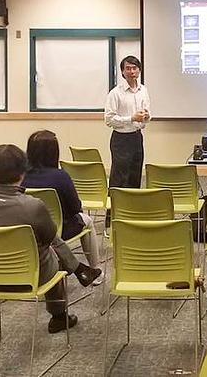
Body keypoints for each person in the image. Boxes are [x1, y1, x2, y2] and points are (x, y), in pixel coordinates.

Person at [0, 144, 78, 333]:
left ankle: (79, 271)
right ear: (22, 172)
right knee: (51, 250)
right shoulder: (33, 205)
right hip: (29, 277)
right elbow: (50, 236)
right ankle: (59, 316)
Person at [22, 130, 102, 272]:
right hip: (58, 231)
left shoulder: (20, 177)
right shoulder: (60, 176)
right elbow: (75, 207)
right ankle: (95, 269)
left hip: (27, 230)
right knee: (87, 220)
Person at [104, 55, 150, 195]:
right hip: (121, 139)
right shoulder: (115, 93)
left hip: (137, 137)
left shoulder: (143, 90)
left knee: (135, 176)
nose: (131, 71)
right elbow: (109, 119)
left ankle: (132, 213)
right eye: (128, 68)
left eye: (134, 68)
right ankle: (112, 215)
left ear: (139, 70)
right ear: (122, 72)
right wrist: (131, 118)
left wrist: (146, 117)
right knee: (119, 179)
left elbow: (147, 115)